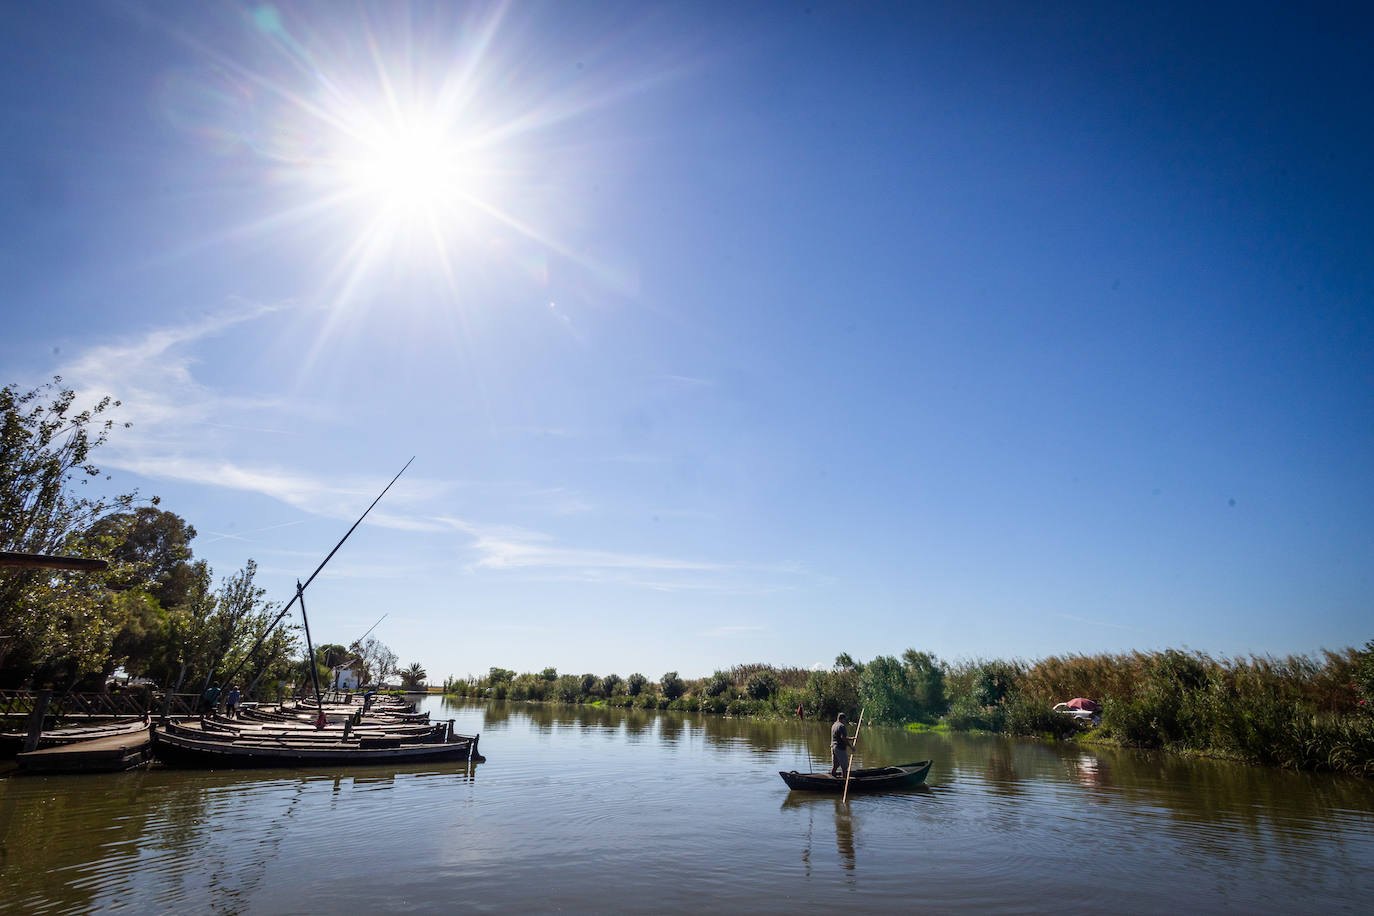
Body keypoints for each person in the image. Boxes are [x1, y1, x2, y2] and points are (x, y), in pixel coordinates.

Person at [830, 712, 854, 778]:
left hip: (833, 747)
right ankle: (844, 780)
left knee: (835, 765)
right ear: (842, 719)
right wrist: (851, 747)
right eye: (845, 720)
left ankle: (833, 778)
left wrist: (851, 738)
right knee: (845, 767)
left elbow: (839, 737)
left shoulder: (834, 725)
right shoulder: (841, 726)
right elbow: (843, 738)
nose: (845, 721)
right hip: (840, 748)